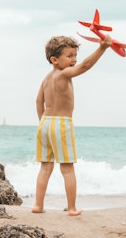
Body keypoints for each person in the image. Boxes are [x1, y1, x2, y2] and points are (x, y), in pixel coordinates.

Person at [32, 34, 112, 216]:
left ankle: (38, 205)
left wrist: (42, 122)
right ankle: (72, 208)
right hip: (61, 124)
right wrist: (102, 48)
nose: (74, 60)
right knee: (67, 169)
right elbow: (85, 66)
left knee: (45, 167)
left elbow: (38, 101)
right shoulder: (64, 74)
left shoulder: (46, 78)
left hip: (44, 123)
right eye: (69, 56)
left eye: (75, 55)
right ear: (54, 59)